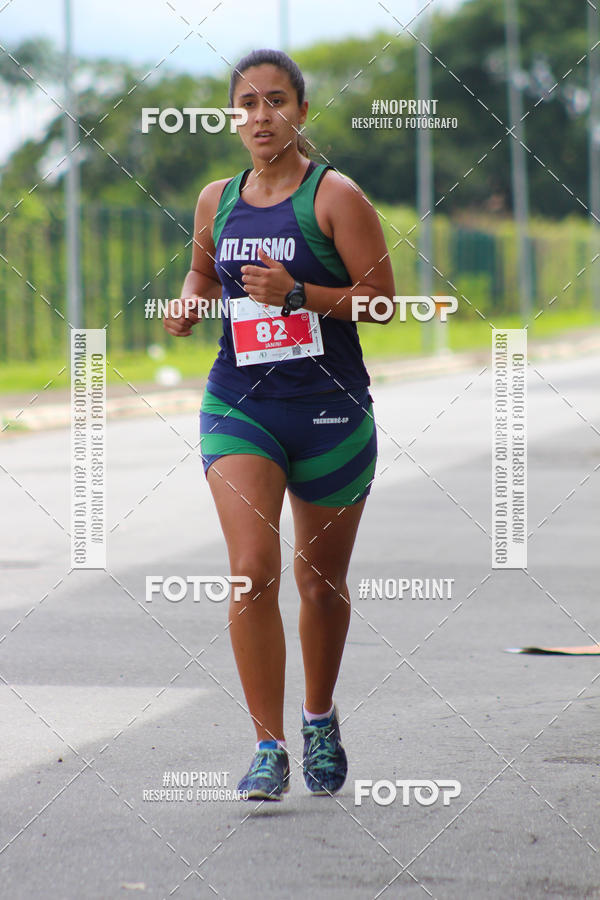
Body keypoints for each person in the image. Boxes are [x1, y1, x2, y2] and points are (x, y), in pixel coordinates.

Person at [164, 48, 395, 801]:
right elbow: (204, 269)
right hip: (243, 404)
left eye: (276, 102)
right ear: (234, 117)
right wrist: (191, 300)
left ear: (301, 111)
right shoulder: (215, 199)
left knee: (320, 583)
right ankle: (267, 746)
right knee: (253, 571)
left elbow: (383, 300)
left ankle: (318, 718)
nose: (261, 117)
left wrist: (299, 293)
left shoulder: (335, 197)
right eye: (247, 104)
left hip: (330, 410)